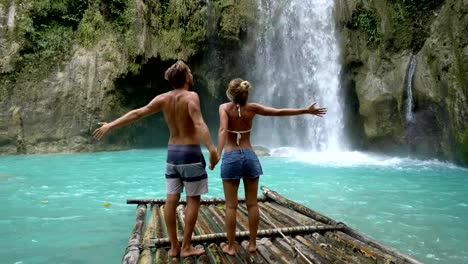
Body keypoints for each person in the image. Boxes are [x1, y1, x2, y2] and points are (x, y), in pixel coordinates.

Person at [93, 61, 217, 257]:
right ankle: (186, 247)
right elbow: (199, 123)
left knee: (171, 200)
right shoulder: (191, 96)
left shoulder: (162, 99)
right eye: (191, 72)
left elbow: (137, 113)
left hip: (172, 155)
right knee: (193, 200)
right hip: (191, 154)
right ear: (186, 78)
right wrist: (212, 149)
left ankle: (174, 247)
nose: (192, 74)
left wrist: (111, 125)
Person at [213, 78, 327, 256]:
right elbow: (278, 112)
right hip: (250, 156)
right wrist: (305, 110)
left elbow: (222, 130)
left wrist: (217, 154)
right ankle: (252, 244)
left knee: (230, 207)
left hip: (231, 156)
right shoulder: (253, 108)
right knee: (252, 204)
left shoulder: (223, 108)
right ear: (245, 94)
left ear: (230, 93)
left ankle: (231, 247)